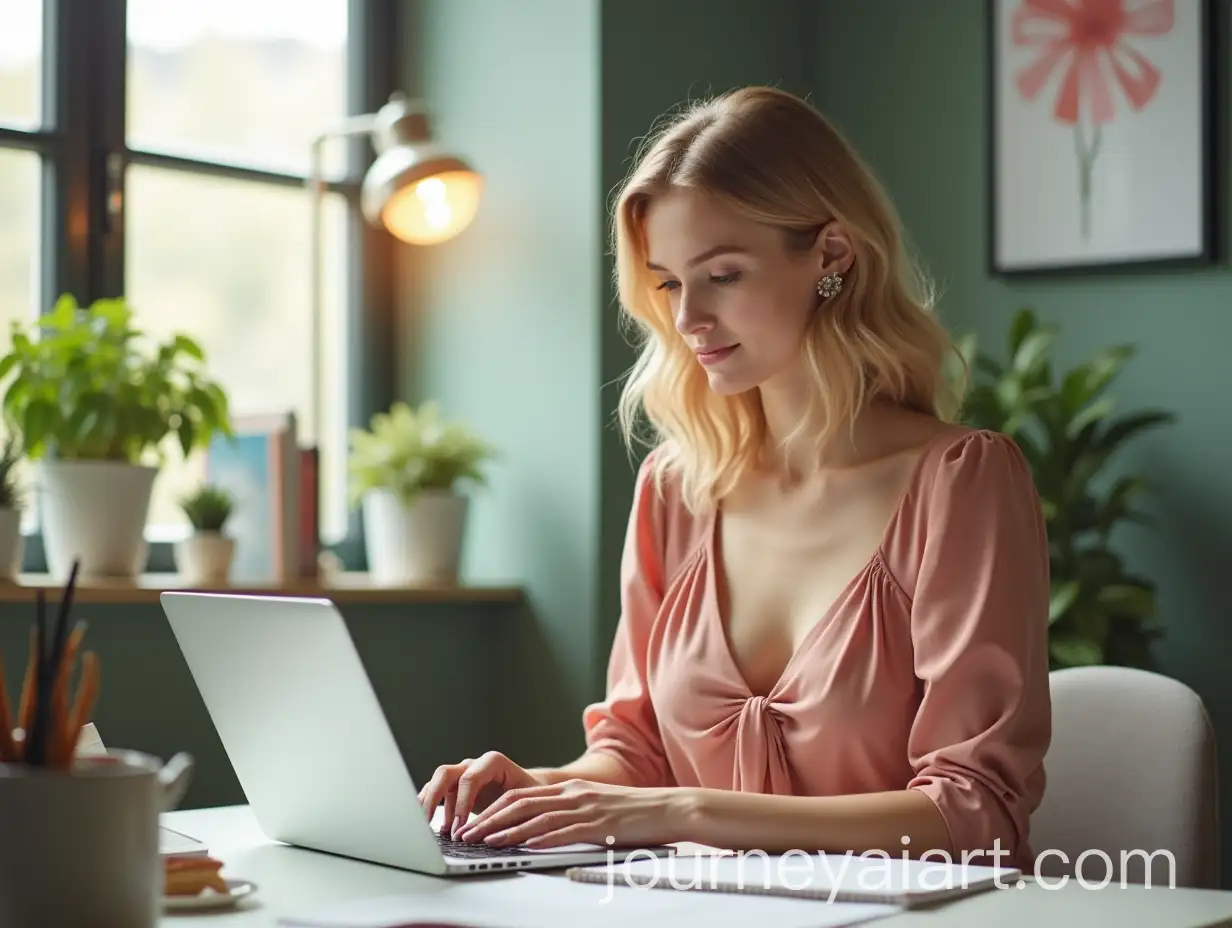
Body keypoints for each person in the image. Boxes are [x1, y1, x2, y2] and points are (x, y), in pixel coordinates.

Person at [418, 86, 1051, 873]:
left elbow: (975, 812)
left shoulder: (960, 481)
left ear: (831, 257)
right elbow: (636, 755)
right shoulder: (675, 490)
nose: (687, 320)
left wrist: (685, 811)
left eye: (722, 274)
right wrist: (537, 789)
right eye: (671, 283)